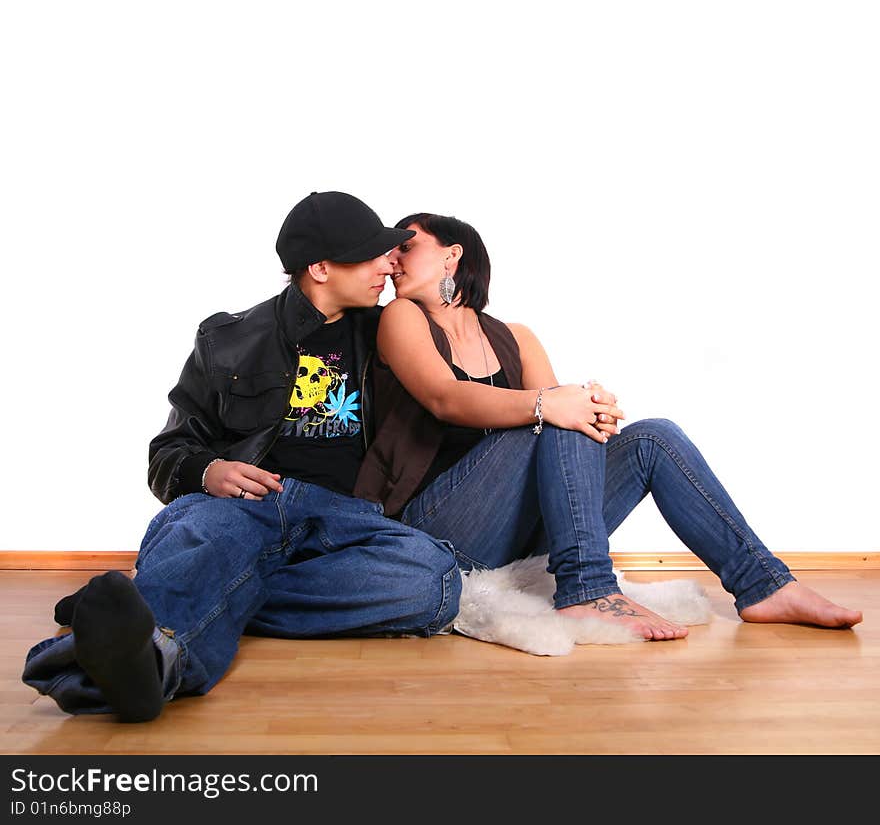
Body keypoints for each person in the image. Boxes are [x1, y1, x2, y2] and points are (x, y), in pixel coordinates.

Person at [22, 192, 462, 722]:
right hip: (242, 505)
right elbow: (168, 451)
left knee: (433, 578)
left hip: (344, 518)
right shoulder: (228, 340)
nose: (386, 264)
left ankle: (168, 601)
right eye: (370, 255)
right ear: (320, 268)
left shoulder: (390, 332)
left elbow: (455, 381)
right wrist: (209, 471)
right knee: (212, 537)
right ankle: (153, 661)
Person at [353, 212, 862, 640]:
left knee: (652, 437)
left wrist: (590, 406)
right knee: (558, 408)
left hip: (517, 538)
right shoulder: (401, 316)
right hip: (439, 534)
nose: (391, 260)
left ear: (452, 255)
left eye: (406, 247)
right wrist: (561, 404)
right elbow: (447, 398)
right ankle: (587, 589)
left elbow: (557, 434)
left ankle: (764, 584)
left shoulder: (516, 337)